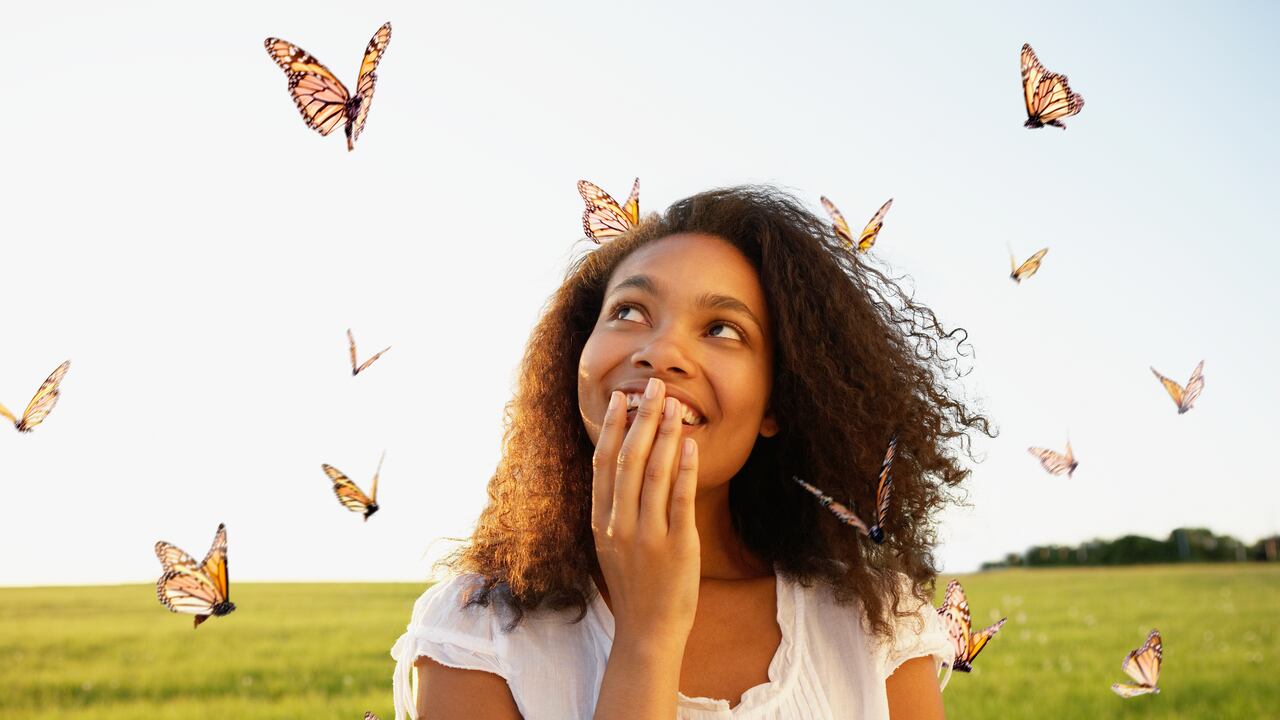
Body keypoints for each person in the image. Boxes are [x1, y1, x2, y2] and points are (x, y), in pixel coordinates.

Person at [390, 186, 994, 719]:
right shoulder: (476, 630)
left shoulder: (877, 624)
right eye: (629, 311)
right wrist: (647, 636)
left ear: (778, 402)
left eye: (722, 329)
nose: (660, 352)